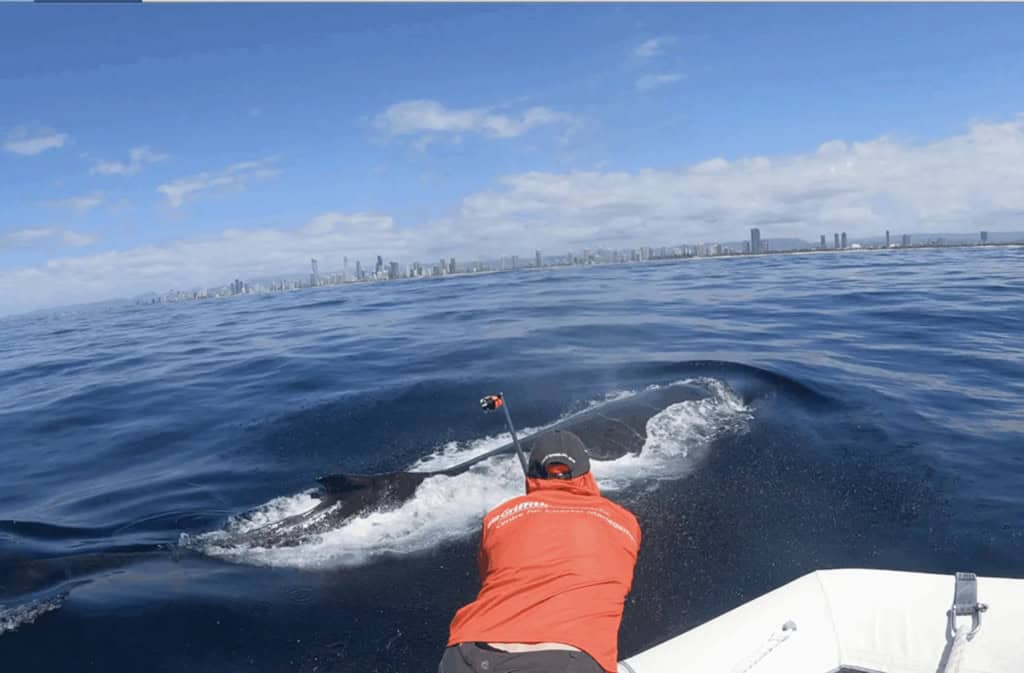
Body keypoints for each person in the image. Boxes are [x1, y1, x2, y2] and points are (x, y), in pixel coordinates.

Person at [439, 430, 642, 673]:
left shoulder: (497, 518)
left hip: (466, 653)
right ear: (587, 474)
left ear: (532, 475)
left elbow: (489, 574)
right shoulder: (625, 522)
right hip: (562, 661)